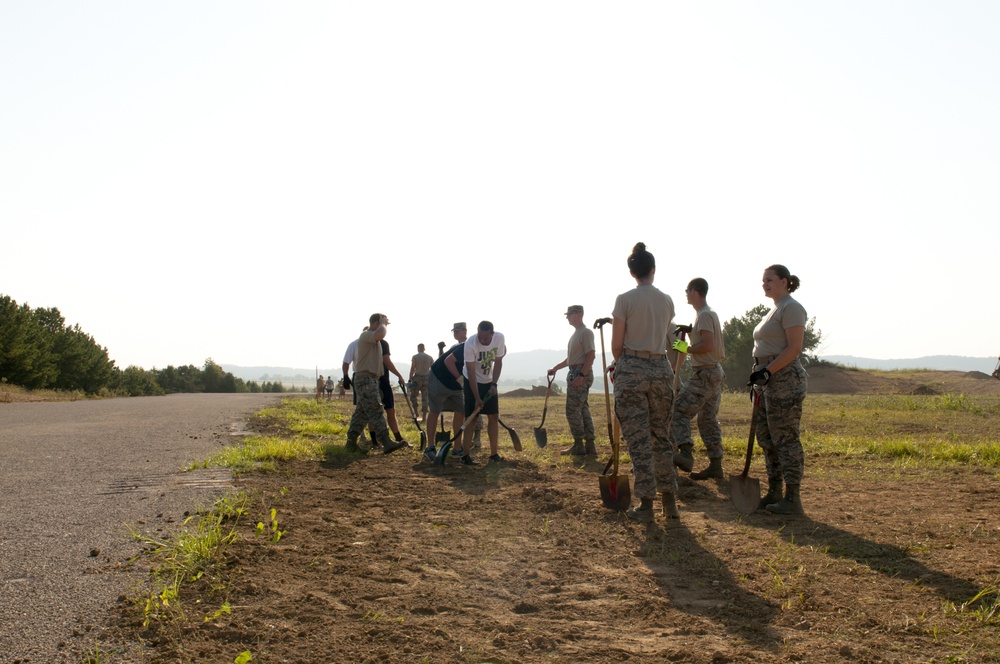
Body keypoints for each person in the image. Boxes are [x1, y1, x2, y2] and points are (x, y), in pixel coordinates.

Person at [610, 242, 679, 522]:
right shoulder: (667, 300)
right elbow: (673, 339)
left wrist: (621, 364)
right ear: (652, 269)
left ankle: (647, 505)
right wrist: (679, 360)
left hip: (632, 368)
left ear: (631, 271)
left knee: (639, 440)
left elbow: (616, 345)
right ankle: (670, 502)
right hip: (661, 368)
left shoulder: (624, 300)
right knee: (661, 437)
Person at [749, 264, 808, 515]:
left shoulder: (791, 307)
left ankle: (792, 498)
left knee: (784, 438)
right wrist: (760, 376)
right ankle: (774, 490)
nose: (765, 284)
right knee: (767, 437)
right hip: (766, 379)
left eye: (770, 280)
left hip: (783, 378)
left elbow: (794, 348)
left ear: (784, 281)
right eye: (763, 280)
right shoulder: (774, 309)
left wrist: (768, 371)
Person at [669, 278, 726, 480]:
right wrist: (689, 333)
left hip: (705, 372)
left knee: (678, 410)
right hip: (714, 371)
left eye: (687, 290)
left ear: (694, 291)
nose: (685, 294)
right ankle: (716, 464)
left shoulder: (703, 315)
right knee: (708, 419)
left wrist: (687, 348)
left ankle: (685, 453)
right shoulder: (707, 314)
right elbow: (706, 340)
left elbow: (708, 345)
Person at [344, 314, 408, 454]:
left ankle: (351, 442)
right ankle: (386, 441)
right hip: (366, 379)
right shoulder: (366, 335)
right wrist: (383, 323)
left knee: (361, 413)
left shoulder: (374, 340)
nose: (385, 326)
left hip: (370, 379)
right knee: (377, 410)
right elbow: (381, 333)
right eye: (382, 323)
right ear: (376, 323)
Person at [453, 321, 506, 465]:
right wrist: (477, 397)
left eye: (486, 338)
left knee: (493, 416)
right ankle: (465, 456)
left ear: (492, 334)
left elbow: (498, 362)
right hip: (472, 381)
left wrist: (494, 384)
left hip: (489, 380)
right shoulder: (470, 344)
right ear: (477, 332)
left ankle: (494, 454)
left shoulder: (499, 338)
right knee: (472, 418)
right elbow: (470, 371)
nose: (482, 340)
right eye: (480, 337)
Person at [547, 305, 597, 456]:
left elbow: (591, 355)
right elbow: (571, 359)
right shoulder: (576, 334)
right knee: (582, 409)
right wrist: (556, 367)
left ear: (579, 314)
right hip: (576, 370)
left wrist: (581, 375)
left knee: (572, 409)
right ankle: (589, 446)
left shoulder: (586, 333)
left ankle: (578, 445)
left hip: (580, 372)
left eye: (570, 314)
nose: (567, 317)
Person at [422, 323, 468, 462]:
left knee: (461, 410)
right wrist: (460, 379)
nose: (455, 334)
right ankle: (430, 447)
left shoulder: (471, 347)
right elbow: (448, 361)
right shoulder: (463, 347)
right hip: (439, 378)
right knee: (435, 410)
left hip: (455, 384)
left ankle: (457, 447)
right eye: (454, 331)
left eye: (458, 331)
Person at [377, 333, 410, 447]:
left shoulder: (362, 344)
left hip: (371, 380)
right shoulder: (382, 343)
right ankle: (386, 439)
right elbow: (386, 360)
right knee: (388, 410)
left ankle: (379, 440)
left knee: (376, 412)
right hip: (382, 381)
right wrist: (399, 376)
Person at [408, 343, 434, 422]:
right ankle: (424, 418)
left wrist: (410, 377)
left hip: (417, 378)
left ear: (418, 348)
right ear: (424, 348)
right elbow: (432, 369)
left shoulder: (415, 357)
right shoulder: (429, 357)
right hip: (427, 378)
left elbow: (413, 367)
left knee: (413, 396)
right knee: (425, 398)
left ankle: (415, 413)